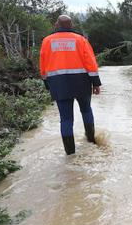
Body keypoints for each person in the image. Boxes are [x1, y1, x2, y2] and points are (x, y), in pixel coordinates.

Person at [39, 15, 102, 155]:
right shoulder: (80, 39)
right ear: (71, 24)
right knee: (86, 110)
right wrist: (96, 83)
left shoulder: (47, 41)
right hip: (82, 82)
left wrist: (47, 84)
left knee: (66, 119)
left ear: (56, 24)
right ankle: (91, 141)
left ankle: (70, 154)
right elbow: (90, 62)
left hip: (58, 84)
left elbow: (43, 66)